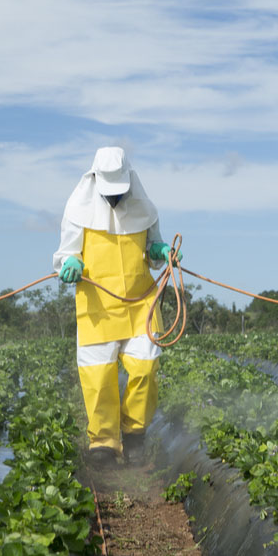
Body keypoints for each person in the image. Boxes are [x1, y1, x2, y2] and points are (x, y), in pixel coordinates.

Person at [53, 146, 180, 463]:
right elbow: (67, 252)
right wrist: (70, 264)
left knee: (145, 368)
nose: (115, 200)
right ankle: (104, 444)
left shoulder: (144, 208)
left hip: (140, 303)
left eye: (119, 193)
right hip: (98, 305)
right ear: (94, 181)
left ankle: (135, 433)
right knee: (99, 377)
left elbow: (151, 251)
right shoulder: (77, 210)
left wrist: (160, 250)